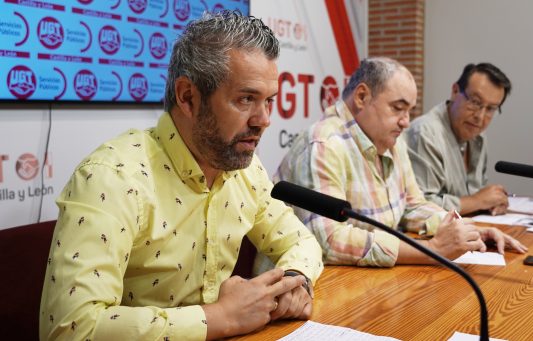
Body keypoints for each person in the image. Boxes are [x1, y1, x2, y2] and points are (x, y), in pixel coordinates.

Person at [39, 11, 323, 340]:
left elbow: (301, 242)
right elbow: (69, 328)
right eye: (246, 99)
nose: (264, 120)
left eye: (269, 101)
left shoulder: (244, 169)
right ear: (188, 96)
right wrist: (220, 317)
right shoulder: (112, 178)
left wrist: (294, 279)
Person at [274, 57, 527, 267]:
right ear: (362, 96)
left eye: (409, 111)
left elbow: (412, 206)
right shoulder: (324, 144)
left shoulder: (393, 141)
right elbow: (329, 241)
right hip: (309, 291)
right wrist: (431, 250)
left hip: (364, 280)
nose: (406, 121)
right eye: (398, 108)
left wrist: (466, 230)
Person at [404, 63, 511, 216]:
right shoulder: (425, 133)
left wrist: (492, 202)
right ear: (455, 91)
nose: (480, 117)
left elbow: (478, 193)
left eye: (491, 108)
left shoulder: (478, 137)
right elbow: (419, 206)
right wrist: (477, 201)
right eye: (475, 102)